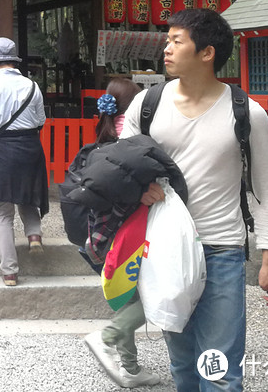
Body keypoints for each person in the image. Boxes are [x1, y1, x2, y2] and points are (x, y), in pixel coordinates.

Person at [121, 8, 268, 392]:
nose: (167, 48)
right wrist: (138, 188)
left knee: (221, 371)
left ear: (207, 53)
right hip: (164, 249)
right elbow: (121, 167)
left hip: (222, 249)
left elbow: (266, 190)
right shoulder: (146, 106)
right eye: (168, 40)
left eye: (177, 41)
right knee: (182, 365)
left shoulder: (247, 112)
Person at [82, 77, 162, 388]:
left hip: (101, 234)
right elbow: (127, 188)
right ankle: (108, 337)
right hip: (129, 232)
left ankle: (129, 367)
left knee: (125, 299)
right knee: (154, 297)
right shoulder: (128, 137)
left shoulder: (101, 139)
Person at [0, 37, 48, 285]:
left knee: (4, 212)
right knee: (27, 195)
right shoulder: (32, 86)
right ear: (14, 61)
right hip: (30, 148)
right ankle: (34, 235)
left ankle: (10, 271)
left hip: (3, 150)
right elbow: (40, 121)